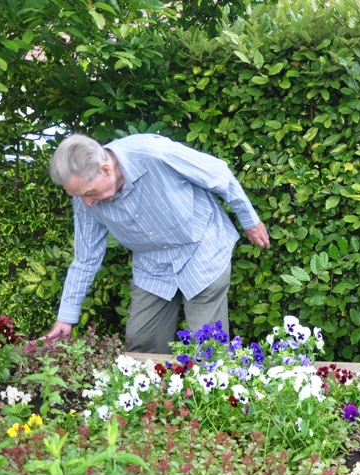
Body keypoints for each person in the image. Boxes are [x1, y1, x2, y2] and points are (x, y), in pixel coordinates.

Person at [40, 133, 270, 354]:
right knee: (142, 341)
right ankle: (157, 394)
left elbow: (219, 174)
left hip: (202, 249)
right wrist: (66, 317)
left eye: (89, 193)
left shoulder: (153, 153)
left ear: (106, 169)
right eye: (78, 196)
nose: (86, 203)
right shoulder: (85, 199)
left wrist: (250, 221)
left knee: (206, 343)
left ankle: (208, 391)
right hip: (152, 265)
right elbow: (86, 258)